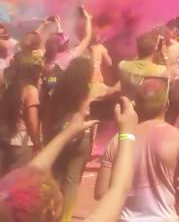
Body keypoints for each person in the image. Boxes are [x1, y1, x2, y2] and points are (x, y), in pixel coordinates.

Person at [0, 96, 141, 222]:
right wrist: (127, 132)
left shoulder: (7, 209)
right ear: (51, 209)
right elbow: (119, 188)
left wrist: (69, 131)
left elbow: (29, 172)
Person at [94, 76, 179, 222]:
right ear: (166, 105)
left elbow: (100, 192)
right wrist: (177, 196)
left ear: (136, 105)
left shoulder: (119, 139)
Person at [40, 57, 96, 221]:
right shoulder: (88, 90)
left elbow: (48, 112)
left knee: (55, 178)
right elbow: (86, 113)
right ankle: (65, 218)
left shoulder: (58, 88)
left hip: (58, 134)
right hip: (79, 136)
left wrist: (46, 135)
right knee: (72, 182)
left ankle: (50, 214)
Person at [0, 56, 43, 174]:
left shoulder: (10, 88)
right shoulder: (30, 90)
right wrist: (37, 143)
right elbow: (32, 120)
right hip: (21, 143)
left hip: (6, 140)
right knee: (19, 180)